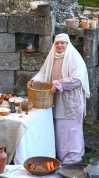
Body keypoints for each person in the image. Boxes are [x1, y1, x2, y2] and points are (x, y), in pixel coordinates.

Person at [29, 33, 90, 164]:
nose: (60, 45)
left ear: (68, 44)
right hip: (56, 98)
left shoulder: (74, 58)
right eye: (57, 43)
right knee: (59, 128)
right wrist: (34, 80)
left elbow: (77, 79)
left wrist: (59, 84)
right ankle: (60, 155)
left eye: (63, 43)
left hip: (70, 100)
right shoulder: (53, 57)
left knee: (70, 128)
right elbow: (43, 73)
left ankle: (72, 157)